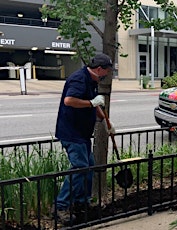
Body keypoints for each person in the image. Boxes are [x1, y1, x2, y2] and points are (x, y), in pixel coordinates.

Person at [54, 53, 116, 222]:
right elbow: (69, 100)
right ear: (99, 69)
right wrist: (91, 103)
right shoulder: (79, 79)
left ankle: (82, 202)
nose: (107, 75)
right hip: (72, 133)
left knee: (88, 167)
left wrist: (106, 123)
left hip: (82, 134)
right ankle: (61, 206)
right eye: (107, 71)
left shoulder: (92, 80)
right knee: (80, 167)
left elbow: (94, 103)